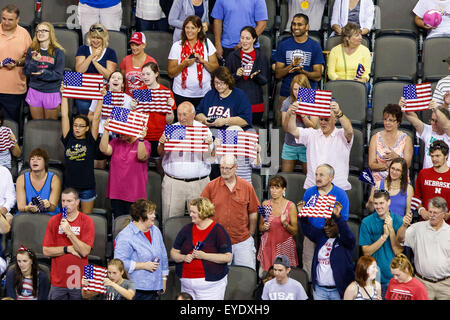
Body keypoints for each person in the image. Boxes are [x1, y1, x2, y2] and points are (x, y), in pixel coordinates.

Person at [158, 101, 214, 223]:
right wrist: (162, 143)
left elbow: (210, 157)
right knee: (170, 221)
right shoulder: (173, 129)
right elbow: (161, 154)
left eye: (185, 114)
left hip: (199, 183)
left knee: (202, 221)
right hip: (174, 183)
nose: (181, 118)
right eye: (179, 114)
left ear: (193, 114)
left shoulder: (203, 130)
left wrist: (210, 145)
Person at [201, 154, 260, 270]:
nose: (224, 171)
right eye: (222, 168)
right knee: (218, 278)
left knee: (246, 276)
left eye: (228, 168)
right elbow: (202, 213)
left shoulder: (247, 186)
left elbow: (253, 212)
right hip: (218, 241)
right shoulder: (210, 187)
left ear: (235, 167)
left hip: (242, 241)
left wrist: (251, 234)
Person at [170, 197, 232, 300]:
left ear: (203, 212)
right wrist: (184, 257)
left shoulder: (218, 230)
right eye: (190, 212)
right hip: (187, 286)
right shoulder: (186, 229)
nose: (190, 215)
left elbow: (227, 257)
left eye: (193, 212)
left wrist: (204, 256)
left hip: (211, 288)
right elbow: (174, 252)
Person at [285, 99, 353, 191]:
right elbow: (292, 130)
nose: (323, 122)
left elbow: (349, 130)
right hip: (313, 188)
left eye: (326, 119)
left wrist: (339, 113)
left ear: (335, 119)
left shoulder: (342, 135)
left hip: (337, 189)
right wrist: (292, 114)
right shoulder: (311, 134)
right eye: (321, 119)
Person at [42, 188, 95, 300]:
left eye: (69, 201)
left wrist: (69, 232)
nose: (65, 204)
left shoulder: (87, 221)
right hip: (58, 280)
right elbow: (46, 251)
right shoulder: (54, 220)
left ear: (77, 202)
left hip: (78, 280)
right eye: (63, 201)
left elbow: (85, 251)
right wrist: (67, 249)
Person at [300, 164, 350, 280]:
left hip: (330, 237)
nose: (317, 177)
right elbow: (304, 217)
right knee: (308, 267)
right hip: (311, 236)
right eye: (316, 174)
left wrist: (333, 230)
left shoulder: (341, 194)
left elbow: (344, 219)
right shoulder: (309, 193)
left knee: (328, 268)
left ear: (331, 177)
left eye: (321, 175)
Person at [274, 13, 325, 125]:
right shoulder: (284, 45)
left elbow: (317, 76)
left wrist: (303, 72)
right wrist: (290, 67)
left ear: (307, 26)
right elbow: (277, 74)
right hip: (287, 90)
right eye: (293, 24)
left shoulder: (314, 46)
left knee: (309, 127)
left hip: (308, 92)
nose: (296, 27)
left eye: (299, 24)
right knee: (284, 126)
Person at [299, 201, 355, 300]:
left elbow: (348, 234)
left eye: (330, 225)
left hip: (338, 290)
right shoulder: (321, 236)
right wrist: (302, 215)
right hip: (320, 290)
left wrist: (338, 217)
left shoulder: (346, 241)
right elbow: (307, 229)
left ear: (338, 226)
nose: (326, 227)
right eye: (325, 224)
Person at [114, 199, 169, 300]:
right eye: (150, 213)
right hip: (136, 289)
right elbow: (119, 263)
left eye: (154, 213)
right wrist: (143, 265)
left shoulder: (155, 230)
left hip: (156, 287)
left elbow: (163, 256)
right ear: (140, 216)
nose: (154, 216)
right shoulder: (125, 236)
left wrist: (164, 279)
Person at [60, 84, 102, 214]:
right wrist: (64, 95)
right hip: (70, 187)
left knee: (84, 220)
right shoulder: (68, 138)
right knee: (69, 219)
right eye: (75, 125)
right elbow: (65, 116)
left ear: (87, 128)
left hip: (87, 188)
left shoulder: (90, 140)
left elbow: (95, 118)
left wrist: (100, 97)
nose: (77, 128)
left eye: (81, 126)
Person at [397, 196, 450, 300]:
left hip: (446, 286)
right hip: (422, 283)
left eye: (435, 213)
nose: (432, 215)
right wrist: (404, 226)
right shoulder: (417, 228)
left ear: (444, 214)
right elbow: (400, 239)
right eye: (430, 212)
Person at [100, 118, 150, 219]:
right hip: (117, 192)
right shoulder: (115, 142)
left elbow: (141, 156)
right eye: (119, 131)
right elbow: (104, 149)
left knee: (136, 223)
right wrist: (106, 130)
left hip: (135, 194)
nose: (120, 134)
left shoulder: (145, 143)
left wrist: (140, 139)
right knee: (119, 223)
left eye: (123, 131)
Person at [359, 190, 404, 298]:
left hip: (393, 277)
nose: (378, 207)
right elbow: (366, 252)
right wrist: (384, 237)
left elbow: (399, 251)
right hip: (372, 278)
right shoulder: (366, 222)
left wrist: (391, 230)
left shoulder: (398, 220)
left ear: (388, 202)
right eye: (376, 203)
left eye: (381, 203)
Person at [88, 70, 135, 169]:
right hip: (100, 135)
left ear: (122, 84)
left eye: (119, 78)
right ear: (108, 82)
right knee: (98, 168)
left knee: (117, 168)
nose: (116, 79)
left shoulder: (128, 100)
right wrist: (100, 115)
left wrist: (131, 111)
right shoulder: (99, 96)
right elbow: (90, 117)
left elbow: (131, 123)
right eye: (113, 77)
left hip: (120, 137)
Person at [168, 15, 218, 107]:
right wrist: (183, 64)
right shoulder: (177, 46)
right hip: (181, 94)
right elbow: (171, 73)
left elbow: (215, 69)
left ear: (199, 29)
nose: (189, 31)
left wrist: (203, 61)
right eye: (187, 27)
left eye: (193, 28)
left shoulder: (207, 43)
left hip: (204, 94)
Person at [225, 26, 269, 127]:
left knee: (252, 132)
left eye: (247, 38)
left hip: (255, 102)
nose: (244, 41)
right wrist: (235, 75)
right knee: (233, 132)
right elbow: (226, 80)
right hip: (235, 102)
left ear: (254, 39)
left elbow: (265, 80)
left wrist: (255, 76)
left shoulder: (261, 57)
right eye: (242, 38)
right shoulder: (232, 56)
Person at [137, 61, 176, 176]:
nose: (145, 77)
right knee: (141, 169)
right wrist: (134, 107)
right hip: (144, 137)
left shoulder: (166, 92)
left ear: (156, 74)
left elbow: (170, 121)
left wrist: (169, 108)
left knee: (162, 169)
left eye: (148, 74)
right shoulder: (141, 91)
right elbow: (138, 117)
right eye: (143, 74)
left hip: (160, 137)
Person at [23, 22, 65, 120]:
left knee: (50, 126)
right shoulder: (32, 50)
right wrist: (34, 61)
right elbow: (27, 72)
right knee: (37, 124)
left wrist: (42, 73)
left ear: (50, 33)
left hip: (51, 91)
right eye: (38, 31)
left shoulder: (58, 52)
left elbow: (58, 75)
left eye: (44, 31)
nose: (40, 33)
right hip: (34, 90)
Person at [257, 175, 298, 274]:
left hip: (284, 247)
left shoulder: (290, 206)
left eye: (277, 188)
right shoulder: (265, 204)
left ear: (283, 189)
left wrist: (285, 224)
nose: (274, 191)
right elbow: (260, 227)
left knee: (284, 276)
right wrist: (264, 227)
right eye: (272, 187)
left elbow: (295, 231)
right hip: (268, 246)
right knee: (266, 276)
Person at [75, 23, 118, 115]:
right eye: (93, 37)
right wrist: (92, 56)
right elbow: (79, 70)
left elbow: (109, 76)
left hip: (102, 93)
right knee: (85, 119)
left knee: (101, 120)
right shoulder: (82, 49)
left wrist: (95, 63)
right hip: (84, 92)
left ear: (104, 39)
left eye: (98, 38)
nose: (95, 40)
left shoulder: (110, 52)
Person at [0, 4, 32, 122]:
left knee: (11, 126)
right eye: (4, 18)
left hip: (15, 90)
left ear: (17, 19)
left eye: (10, 19)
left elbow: (30, 58)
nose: (6, 22)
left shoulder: (24, 34)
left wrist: (18, 62)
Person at [280, 74, 318, 173]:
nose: (297, 93)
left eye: (300, 90)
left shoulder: (312, 102)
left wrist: (303, 115)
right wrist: (288, 113)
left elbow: (313, 127)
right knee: (286, 177)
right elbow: (284, 128)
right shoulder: (287, 102)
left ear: (306, 89)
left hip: (307, 145)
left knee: (309, 178)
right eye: (295, 89)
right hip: (290, 144)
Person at [195, 66, 253, 130]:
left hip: (229, 133)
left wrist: (225, 121)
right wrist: (204, 120)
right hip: (210, 132)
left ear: (228, 81)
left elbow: (246, 120)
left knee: (234, 128)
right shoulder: (210, 95)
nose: (219, 86)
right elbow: (197, 113)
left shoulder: (240, 95)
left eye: (222, 83)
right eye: (216, 82)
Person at [368, 104, 413, 182]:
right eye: (385, 119)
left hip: (400, 178)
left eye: (391, 120)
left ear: (398, 122)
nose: (387, 123)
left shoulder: (406, 139)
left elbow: (407, 164)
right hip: (379, 179)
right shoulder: (375, 138)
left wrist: (397, 157)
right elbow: (371, 164)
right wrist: (386, 166)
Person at [400, 98, 450, 168]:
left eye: (437, 121)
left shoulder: (448, 133)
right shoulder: (428, 130)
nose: (433, 123)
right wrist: (405, 106)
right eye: (432, 120)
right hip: (427, 176)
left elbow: (446, 124)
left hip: (446, 177)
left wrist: (436, 109)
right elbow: (411, 116)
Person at [413, 140, 450, 222]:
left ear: (446, 155)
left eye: (437, 156)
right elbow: (416, 197)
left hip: (447, 225)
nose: (434, 159)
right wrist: (421, 210)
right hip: (426, 222)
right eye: (432, 156)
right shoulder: (423, 173)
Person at [16, 148, 61, 215]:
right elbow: (21, 207)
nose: (35, 161)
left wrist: (48, 206)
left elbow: (53, 207)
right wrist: (28, 208)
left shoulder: (54, 179)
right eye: (32, 159)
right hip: (27, 213)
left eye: (39, 159)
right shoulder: (21, 179)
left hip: (49, 214)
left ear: (45, 162)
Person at [120, 32, 157, 97]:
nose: (134, 48)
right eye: (132, 45)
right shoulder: (126, 60)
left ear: (144, 45)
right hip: (128, 98)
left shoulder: (151, 61)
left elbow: (155, 84)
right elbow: (122, 80)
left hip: (145, 99)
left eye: (137, 45)